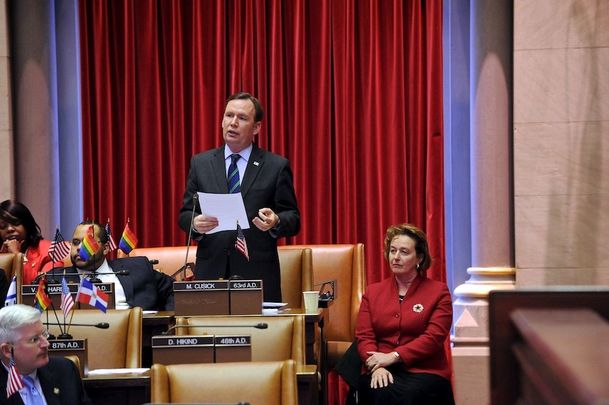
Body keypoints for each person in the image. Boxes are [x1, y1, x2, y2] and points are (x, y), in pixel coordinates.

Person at [178, 92, 300, 302]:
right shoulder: (201, 163)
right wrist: (195, 223)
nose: (233, 123)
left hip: (257, 273)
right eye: (229, 115)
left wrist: (276, 221)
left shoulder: (275, 166)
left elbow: (293, 218)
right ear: (221, 121)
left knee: (258, 334)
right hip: (211, 272)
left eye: (242, 118)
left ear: (256, 128)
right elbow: (185, 214)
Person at [355, 223, 454, 405]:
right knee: (379, 391)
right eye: (392, 251)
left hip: (424, 370)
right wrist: (375, 365)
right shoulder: (373, 292)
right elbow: (364, 336)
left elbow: (433, 338)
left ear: (419, 258)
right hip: (379, 367)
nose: (396, 257)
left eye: (404, 252)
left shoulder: (439, 292)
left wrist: (393, 356)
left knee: (411, 396)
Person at [48, 221, 174, 311]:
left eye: (88, 242)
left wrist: (168, 319)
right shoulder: (55, 279)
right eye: (76, 243)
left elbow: (175, 290)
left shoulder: (138, 268)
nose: (80, 248)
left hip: (137, 337)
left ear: (106, 248)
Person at [0, 304, 91, 404]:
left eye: (44, 334)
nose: (46, 343)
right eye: (34, 339)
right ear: (7, 350)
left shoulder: (65, 370)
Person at [0, 200, 58, 285]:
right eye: (3, 226)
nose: (9, 229)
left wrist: (18, 257)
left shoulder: (50, 251)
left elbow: (39, 290)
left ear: (27, 224)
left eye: (15, 223)